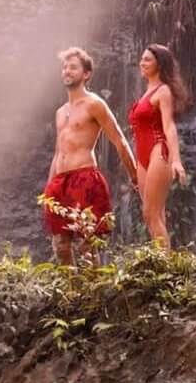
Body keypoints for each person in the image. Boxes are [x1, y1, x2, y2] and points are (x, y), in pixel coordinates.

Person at [42, 46, 139, 265]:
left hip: (84, 177)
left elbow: (119, 140)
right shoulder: (60, 112)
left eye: (73, 67)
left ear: (86, 74)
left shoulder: (94, 104)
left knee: (87, 243)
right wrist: (49, 189)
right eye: (65, 67)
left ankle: (92, 297)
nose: (67, 71)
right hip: (60, 182)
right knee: (61, 245)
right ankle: (72, 296)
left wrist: (134, 176)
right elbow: (58, 152)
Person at [129, 44, 190, 246]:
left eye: (148, 60)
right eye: (142, 58)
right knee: (154, 215)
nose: (142, 63)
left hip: (158, 150)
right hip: (142, 155)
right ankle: (164, 264)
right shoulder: (147, 91)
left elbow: (169, 126)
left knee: (150, 213)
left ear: (160, 64)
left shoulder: (163, 90)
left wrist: (176, 161)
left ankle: (165, 270)